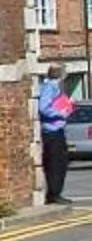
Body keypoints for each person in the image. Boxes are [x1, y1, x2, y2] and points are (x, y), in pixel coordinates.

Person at [37, 73, 76, 205]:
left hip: (57, 131)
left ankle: (55, 193)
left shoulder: (54, 87)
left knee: (61, 163)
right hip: (52, 132)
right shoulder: (50, 87)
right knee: (55, 164)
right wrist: (61, 112)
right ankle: (54, 194)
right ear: (61, 75)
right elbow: (43, 108)